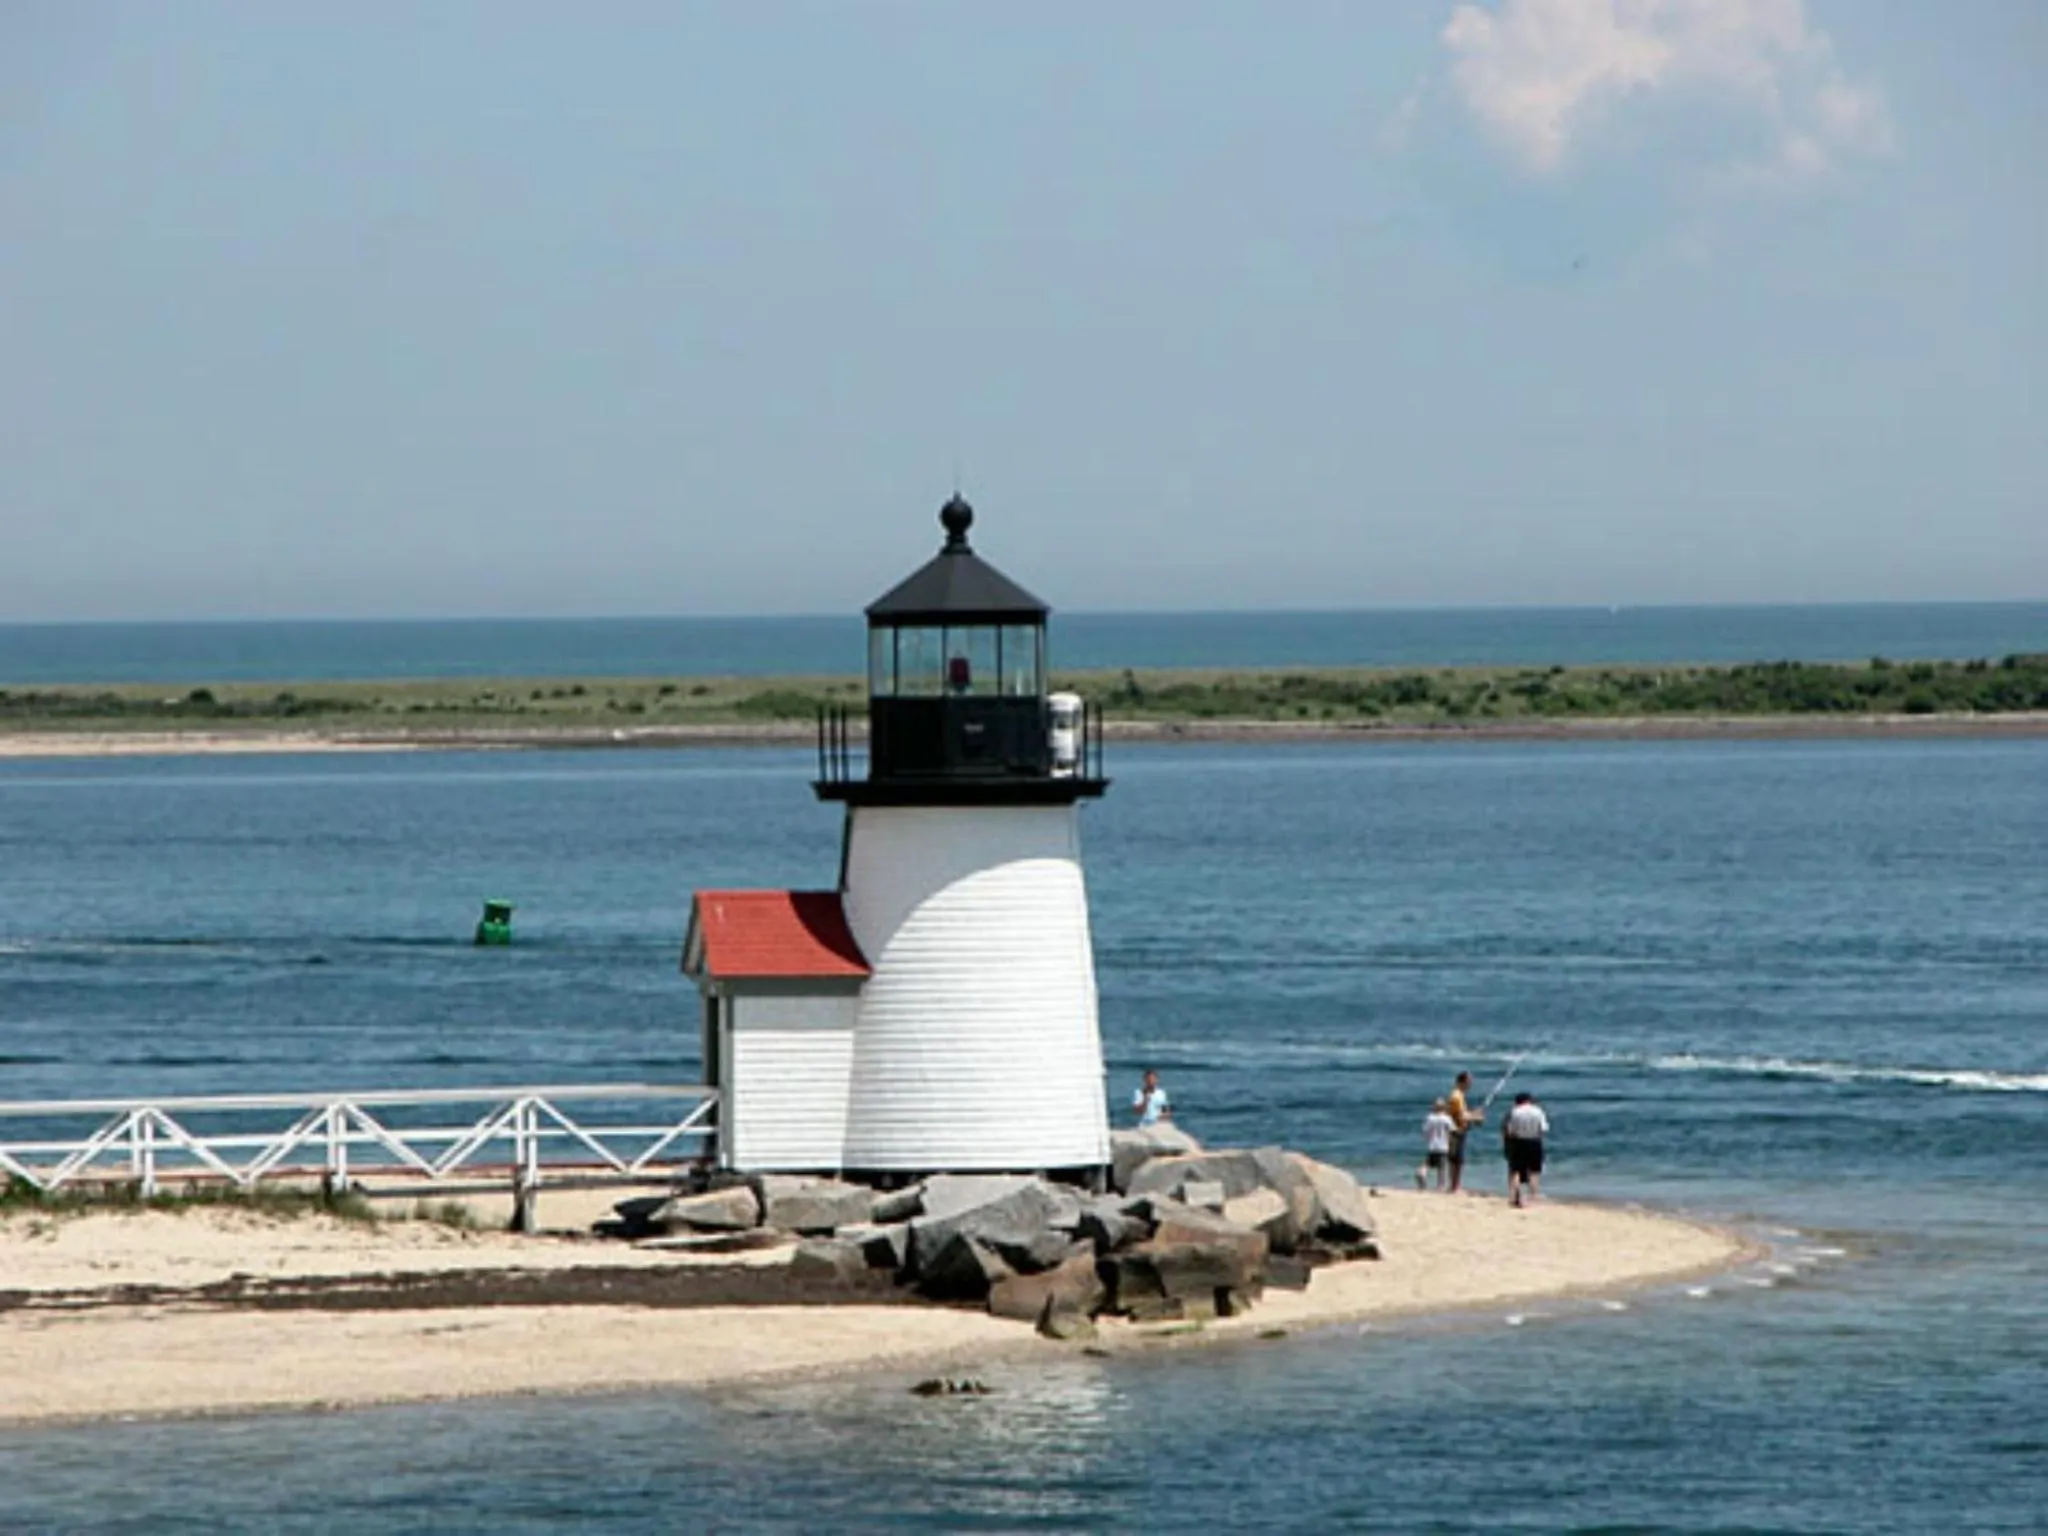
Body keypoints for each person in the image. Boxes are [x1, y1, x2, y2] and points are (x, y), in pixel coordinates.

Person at [1503, 1091, 1550, 1207]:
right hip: (1534, 1141)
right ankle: (1533, 1194)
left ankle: (1515, 1195)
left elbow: (1510, 1131)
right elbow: (1543, 1129)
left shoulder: (1514, 1112)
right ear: (1529, 1100)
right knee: (1534, 1170)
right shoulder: (1538, 1111)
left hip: (1518, 1142)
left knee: (1516, 1170)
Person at [1445, 1070, 1484, 1193]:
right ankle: (1454, 1186)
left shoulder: (1459, 1096)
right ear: (1462, 1082)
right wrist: (1475, 1117)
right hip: (1455, 1131)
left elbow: (1462, 1114)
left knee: (1458, 1160)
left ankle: (1455, 1185)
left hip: (1459, 1130)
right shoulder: (1456, 1096)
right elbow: (1461, 1116)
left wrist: (1473, 1114)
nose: (1470, 1085)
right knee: (1455, 1159)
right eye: (1468, 1082)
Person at [1416, 1097, 1456, 1191]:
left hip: (1432, 1145)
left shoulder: (1430, 1118)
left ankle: (1422, 1172)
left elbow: (1425, 1131)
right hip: (1443, 1146)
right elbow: (1453, 1130)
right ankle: (1440, 1185)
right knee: (1441, 1167)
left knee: (1428, 1163)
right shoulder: (1447, 1118)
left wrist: (1428, 1138)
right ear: (1444, 1107)